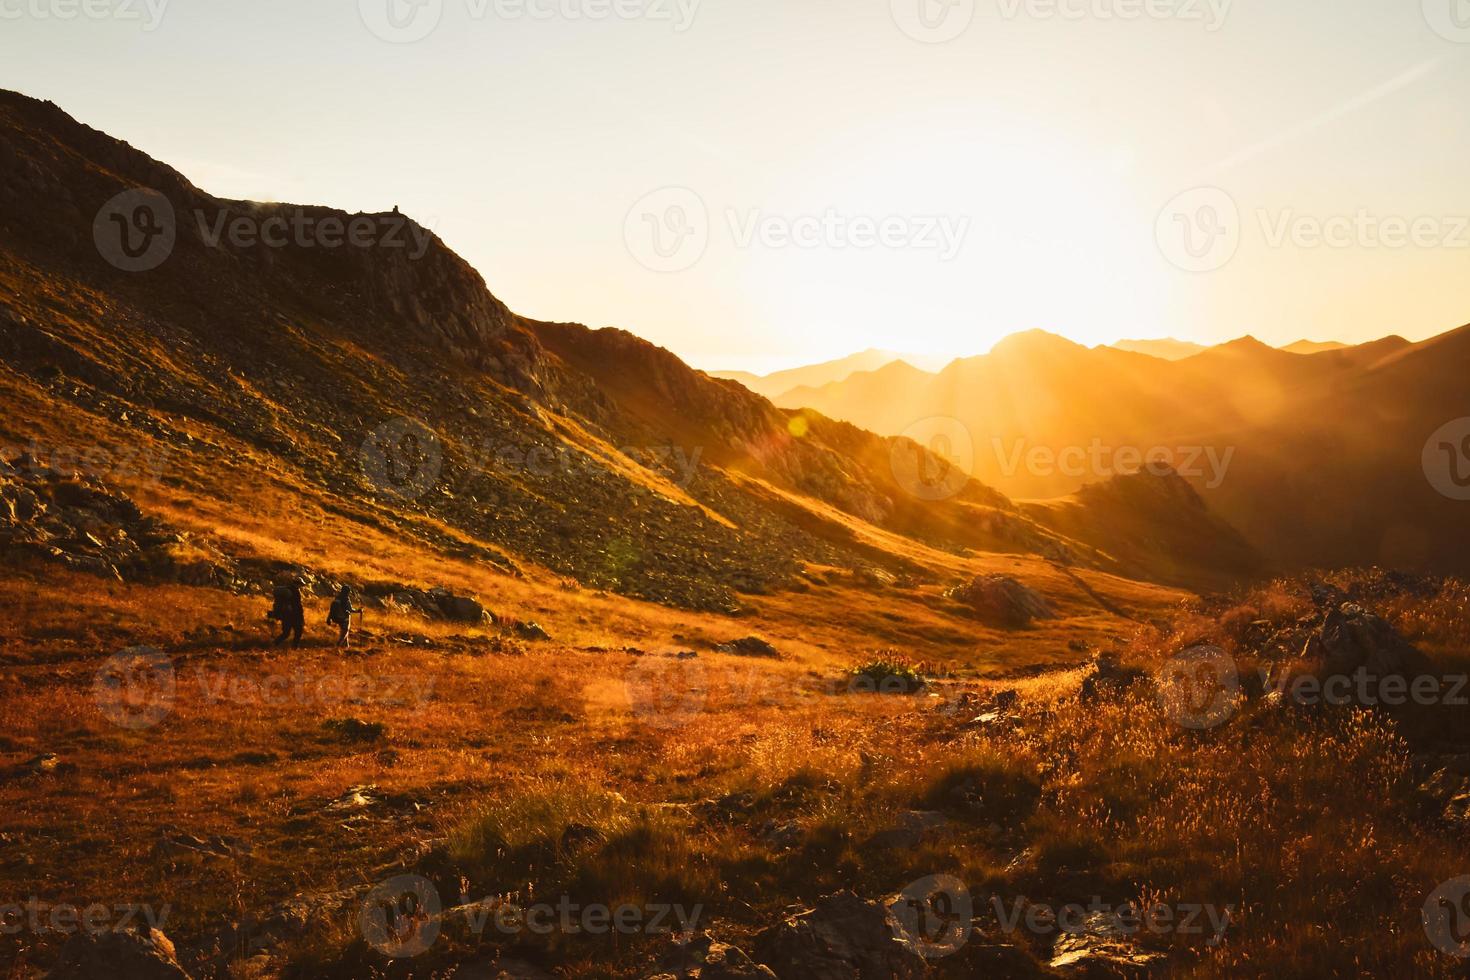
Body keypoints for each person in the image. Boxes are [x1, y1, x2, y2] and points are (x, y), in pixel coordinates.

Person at [269, 580, 305, 647]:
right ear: (298, 584)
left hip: (286, 616)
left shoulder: (287, 590)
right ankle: (294, 648)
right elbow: (297, 605)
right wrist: (301, 617)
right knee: (298, 632)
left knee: (286, 633)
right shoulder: (295, 592)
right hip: (294, 616)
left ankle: (274, 644)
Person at [327, 585, 361, 649]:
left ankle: (346, 648)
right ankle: (336, 648)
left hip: (338, 619)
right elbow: (350, 610)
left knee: (345, 633)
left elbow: (331, 610)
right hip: (345, 619)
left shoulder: (337, 599)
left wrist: (329, 618)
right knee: (344, 635)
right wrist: (358, 611)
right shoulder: (346, 600)